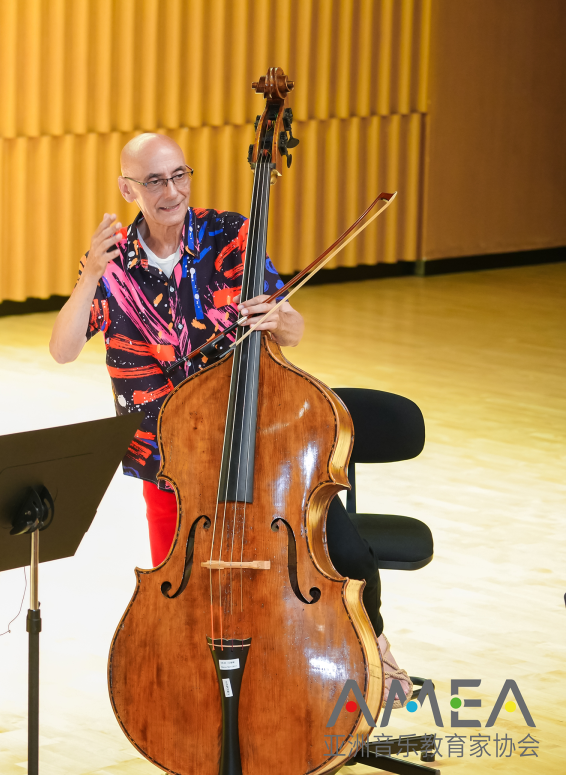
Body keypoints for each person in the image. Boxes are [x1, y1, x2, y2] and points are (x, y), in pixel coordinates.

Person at [48, 132, 410, 705]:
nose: (172, 192)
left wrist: (279, 321)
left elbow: (292, 329)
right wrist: (89, 274)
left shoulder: (230, 236)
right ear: (127, 188)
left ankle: (375, 655)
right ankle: (202, 711)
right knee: (190, 597)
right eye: (154, 181)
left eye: (179, 175)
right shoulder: (114, 263)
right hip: (171, 462)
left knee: (347, 555)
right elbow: (62, 349)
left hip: (259, 441)